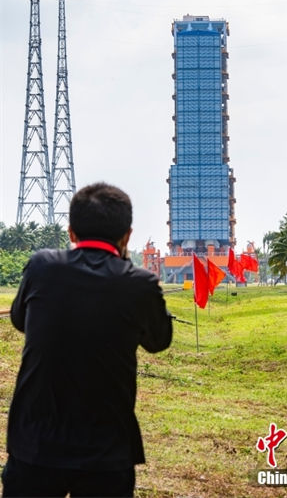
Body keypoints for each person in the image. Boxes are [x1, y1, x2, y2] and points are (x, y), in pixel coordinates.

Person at [2, 183, 172, 497]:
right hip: (106, 448)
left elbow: (18, 320)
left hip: (35, 443)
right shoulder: (139, 284)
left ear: (71, 232)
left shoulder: (41, 267)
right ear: (127, 237)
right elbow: (158, 341)